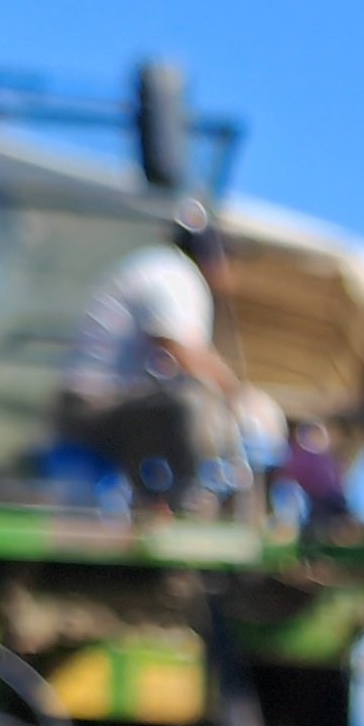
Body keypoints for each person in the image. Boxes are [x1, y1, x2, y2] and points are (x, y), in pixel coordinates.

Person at [59, 219, 247, 512]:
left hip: (94, 400)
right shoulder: (176, 274)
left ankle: (154, 502)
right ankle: (194, 504)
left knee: (179, 400)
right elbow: (182, 353)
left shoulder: (160, 266)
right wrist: (238, 394)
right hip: (93, 402)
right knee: (193, 402)